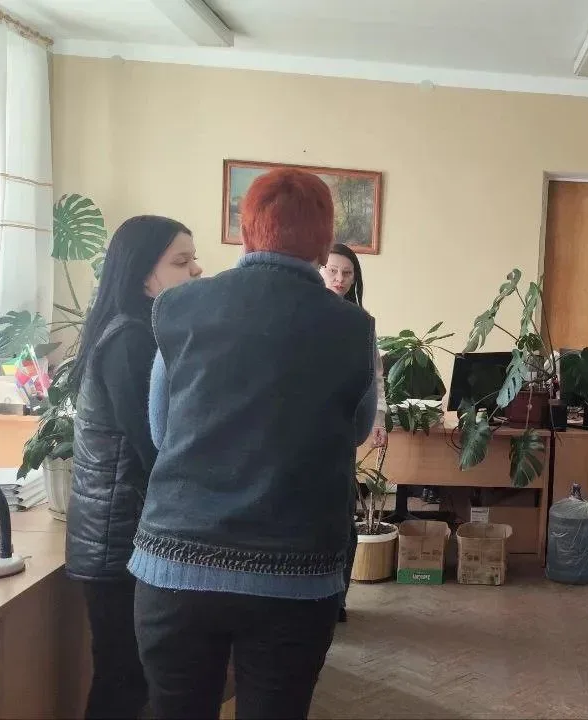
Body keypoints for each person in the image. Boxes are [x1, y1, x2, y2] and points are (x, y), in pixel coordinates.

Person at [131, 168, 378, 719]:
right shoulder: (353, 328)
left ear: (246, 232)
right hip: (296, 573)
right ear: (324, 245)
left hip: (177, 564)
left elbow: (160, 430)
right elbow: (359, 429)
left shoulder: (179, 306)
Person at [66, 215, 201, 719]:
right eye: (181, 261)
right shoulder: (130, 339)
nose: (196, 270)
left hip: (122, 532)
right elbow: (154, 445)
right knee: (123, 678)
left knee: (130, 675)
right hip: (117, 538)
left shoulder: (142, 331)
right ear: (145, 275)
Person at [320, 242, 387, 624]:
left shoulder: (361, 322)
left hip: (342, 433)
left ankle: (338, 599)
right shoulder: (304, 314)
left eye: (347, 273)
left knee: (344, 520)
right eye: (332, 270)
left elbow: (374, 378)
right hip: (305, 432)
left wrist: (377, 421)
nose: (339, 279)